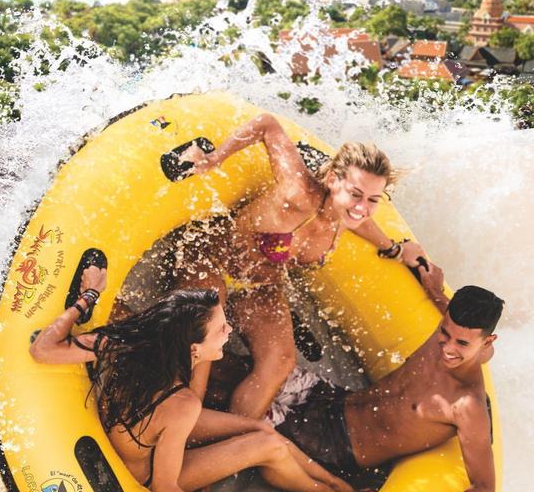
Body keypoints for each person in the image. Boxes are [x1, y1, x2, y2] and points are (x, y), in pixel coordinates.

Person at [29, 266, 363, 492]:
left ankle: (340, 488)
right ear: (193, 347)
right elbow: (165, 487)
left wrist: (86, 300)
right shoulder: (182, 404)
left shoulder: (131, 342)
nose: (229, 332)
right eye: (221, 329)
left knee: (263, 428)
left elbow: (43, 350)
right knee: (270, 445)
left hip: (150, 426)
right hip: (143, 471)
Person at [173, 113, 429, 419]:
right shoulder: (299, 192)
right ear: (333, 180)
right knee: (203, 340)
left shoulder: (346, 218)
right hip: (213, 260)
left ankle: (231, 435)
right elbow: (267, 124)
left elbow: (364, 223)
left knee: (281, 362)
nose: (363, 207)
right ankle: (183, 424)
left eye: (373, 199)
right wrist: (215, 158)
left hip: (260, 285)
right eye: (356, 194)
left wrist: (396, 249)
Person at [274, 264, 503, 492]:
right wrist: (433, 288)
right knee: (244, 371)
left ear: (488, 341)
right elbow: (452, 319)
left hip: (334, 447)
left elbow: (485, 491)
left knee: (231, 401)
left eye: (462, 344)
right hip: (332, 399)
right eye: (445, 333)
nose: (448, 348)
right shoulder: (452, 335)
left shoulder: (467, 405)